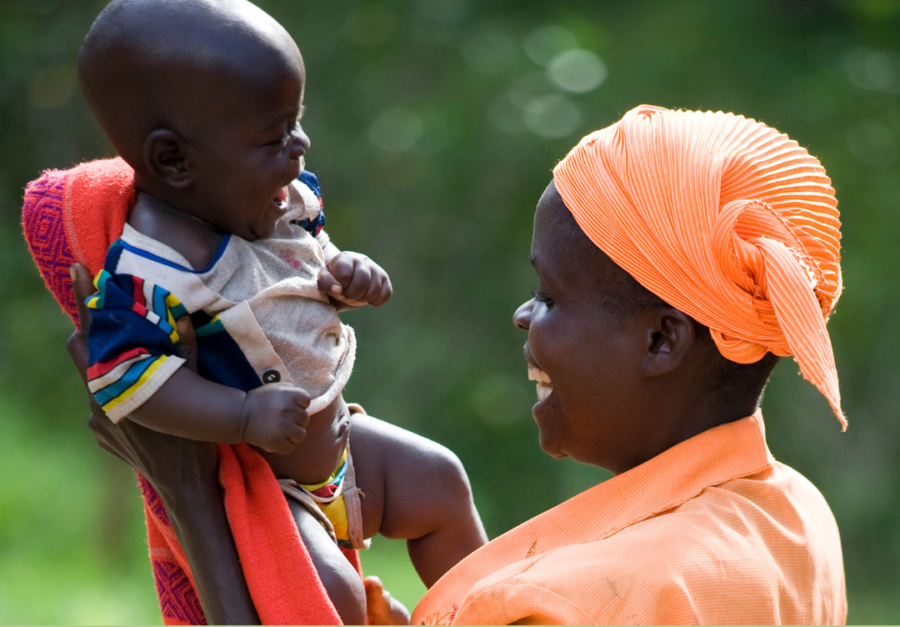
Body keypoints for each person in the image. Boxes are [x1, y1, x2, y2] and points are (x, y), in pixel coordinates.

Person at [69, 104, 847, 625]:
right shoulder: (798, 520)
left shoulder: (557, 605)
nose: (523, 314)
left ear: (659, 341)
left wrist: (190, 493)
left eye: (549, 295)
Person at [68, 0, 486, 625]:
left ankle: (488, 614)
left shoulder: (277, 196)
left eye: (297, 123)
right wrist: (238, 415)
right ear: (174, 160)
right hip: (275, 488)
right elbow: (123, 380)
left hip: (345, 440)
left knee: (439, 477)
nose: (299, 147)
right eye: (274, 135)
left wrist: (346, 275)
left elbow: (305, 268)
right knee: (330, 600)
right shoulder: (151, 268)